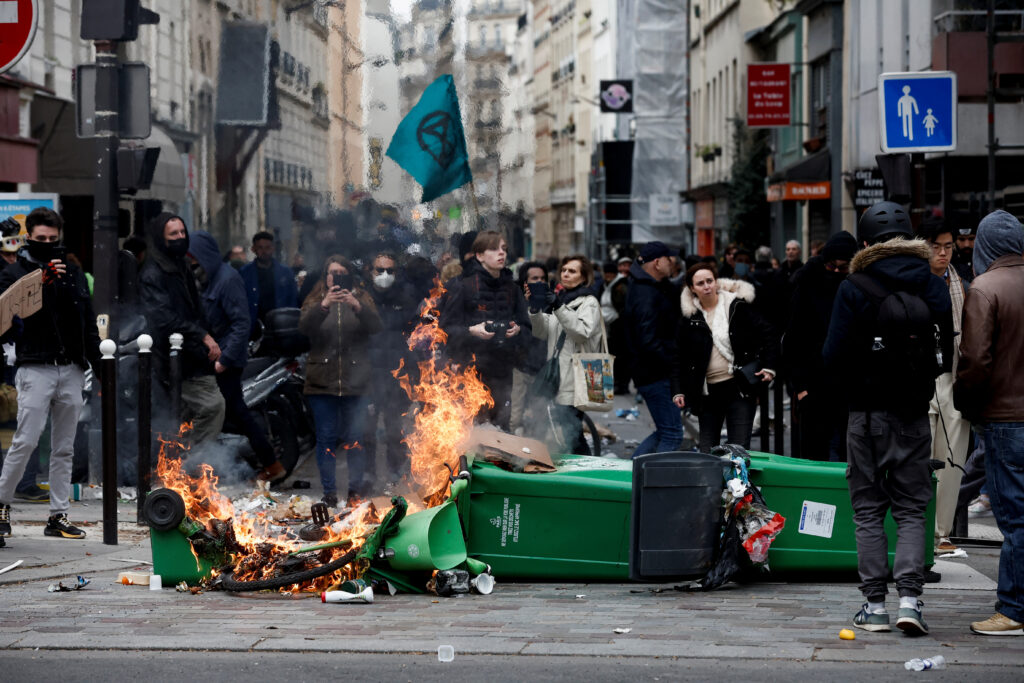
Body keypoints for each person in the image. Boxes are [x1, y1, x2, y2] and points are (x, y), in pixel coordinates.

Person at [824, 201, 953, 637]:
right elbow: (946, 354)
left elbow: (832, 355)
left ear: (864, 243)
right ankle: (911, 601)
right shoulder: (932, 282)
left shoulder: (853, 286)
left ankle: (874, 605)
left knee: (867, 508)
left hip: (865, 415)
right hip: (914, 414)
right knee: (913, 508)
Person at [0, 207, 101, 542]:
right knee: (25, 440)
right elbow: (11, 318)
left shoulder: (72, 272)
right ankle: (1, 505)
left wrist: (97, 366)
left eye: (52, 239)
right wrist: (41, 281)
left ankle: (58, 514)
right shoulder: (15, 271)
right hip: (34, 366)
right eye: (40, 238)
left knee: (64, 447)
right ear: (29, 237)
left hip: (70, 367)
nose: (46, 243)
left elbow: (86, 320)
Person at [954, 209, 1024, 636]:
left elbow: (975, 361)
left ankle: (1013, 608)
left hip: (1004, 417)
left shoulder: (984, 288)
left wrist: (966, 404)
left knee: (1015, 519)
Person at [187, 230, 284, 483]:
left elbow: (241, 323)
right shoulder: (208, 278)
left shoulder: (227, 279)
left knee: (234, 411)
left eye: (192, 256)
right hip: (213, 357)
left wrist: (224, 359)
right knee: (232, 412)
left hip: (226, 360)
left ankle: (270, 465)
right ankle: (265, 464)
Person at [299, 255, 382, 507]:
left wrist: (356, 305)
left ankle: (355, 492)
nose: (336, 276)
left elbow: (376, 327)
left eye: (341, 272)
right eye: (332, 272)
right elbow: (303, 328)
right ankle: (330, 493)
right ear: (326, 275)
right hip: (321, 381)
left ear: (349, 274)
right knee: (325, 439)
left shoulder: (362, 297)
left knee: (355, 437)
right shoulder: (315, 298)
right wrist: (323, 305)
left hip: (356, 382)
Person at [139, 213, 226, 448]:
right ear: (161, 238)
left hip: (193, 354)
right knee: (212, 407)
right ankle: (185, 462)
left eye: (182, 233)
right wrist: (202, 336)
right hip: (175, 358)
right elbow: (163, 318)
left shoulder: (181, 265)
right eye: (173, 234)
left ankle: (180, 465)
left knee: (186, 416)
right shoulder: (153, 272)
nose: (180, 238)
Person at [671, 264, 777, 451]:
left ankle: (736, 481)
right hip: (707, 393)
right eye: (700, 283)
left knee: (739, 450)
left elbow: (768, 333)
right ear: (692, 288)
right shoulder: (689, 318)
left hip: (739, 388)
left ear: (716, 281)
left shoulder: (736, 305)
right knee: (707, 451)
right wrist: (678, 390)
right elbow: (679, 356)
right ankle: (712, 482)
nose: (707, 286)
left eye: (710, 281)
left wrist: (769, 367)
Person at [439, 231, 530, 430]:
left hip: (503, 372)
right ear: (479, 255)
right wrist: (472, 330)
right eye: (494, 249)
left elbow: (526, 328)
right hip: (471, 373)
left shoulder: (513, 289)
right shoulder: (463, 286)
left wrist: (517, 331)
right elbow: (445, 330)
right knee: (473, 435)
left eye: (504, 249)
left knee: (501, 431)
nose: (501, 254)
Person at [918, 219, 970, 554]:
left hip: (953, 375)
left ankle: (942, 532)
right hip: (921, 377)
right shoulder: (915, 282)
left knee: (951, 459)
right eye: (936, 246)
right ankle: (919, 530)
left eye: (948, 246)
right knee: (920, 456)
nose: (943, 253)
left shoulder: (960, 284)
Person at [783, 231, 857, 461]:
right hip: (814, 384)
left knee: (845, 451)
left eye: (843, 267)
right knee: (817, 452)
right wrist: (800, 386)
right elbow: (793, 338)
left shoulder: (856, 288)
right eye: (831, 266)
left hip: (847, 385)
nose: (835, 271)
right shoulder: (807, 284)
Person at [526, 255, 604, 453]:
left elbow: (581, 332)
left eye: (572, 271)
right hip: (559, 376)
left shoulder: (589, 302)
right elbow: (543, 332)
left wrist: (559, 306)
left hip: (576, 377)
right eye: (564, 270)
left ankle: (586, 472)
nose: (566, 274)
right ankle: (581, 470)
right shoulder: (563, 299)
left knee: (571, 431)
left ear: (584, 277)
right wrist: (535, 310)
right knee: (568, 430)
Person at [364, 251, 419, 484]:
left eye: (390, 270)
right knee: (366, 430)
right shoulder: (363, 298)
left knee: (395, 428)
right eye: (380, 270)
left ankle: (396, 473)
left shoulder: (407, 298)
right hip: (368, 375)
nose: (384, 275)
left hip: (397, 374)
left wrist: (413, 374)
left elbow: (415, 337)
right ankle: (367, 474)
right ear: (371, 271)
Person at [622, 241, 682, 456]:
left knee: (666, 431)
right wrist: (671, 363)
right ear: (657, 263)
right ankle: (637, 480)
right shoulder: (645, 292)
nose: (672, 263)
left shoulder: (650, 286)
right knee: (673, 434)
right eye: (668, 259)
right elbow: (647, 339)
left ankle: (634, 476)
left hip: (652, 372)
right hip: (655, 373)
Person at [510, 262, 549, 434]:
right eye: (535, 278)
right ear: (525, 282)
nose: (539, 282)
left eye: (542, 278)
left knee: (540, 418)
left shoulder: (551, 303)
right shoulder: (515, 301)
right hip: (520, 367)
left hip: (542, 368)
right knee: (515, 417)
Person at [239, 231, 299, 330]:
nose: (264, 251)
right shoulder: (244, 273)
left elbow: (293, 300)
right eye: (260, 248)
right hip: (254, 326)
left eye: (267, 247)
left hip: (281, 326)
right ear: (253, 249)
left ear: (273, 249)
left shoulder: (285, 273)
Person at [601, 257, 631, 394]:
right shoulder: (606, 285)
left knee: (619, 358)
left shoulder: (620, 286)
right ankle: (614, 383)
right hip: (608, 325)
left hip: (618, 326)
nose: (607, 277)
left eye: (609, 274)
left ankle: (621, 384)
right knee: (611, 355)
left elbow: (623, 307)